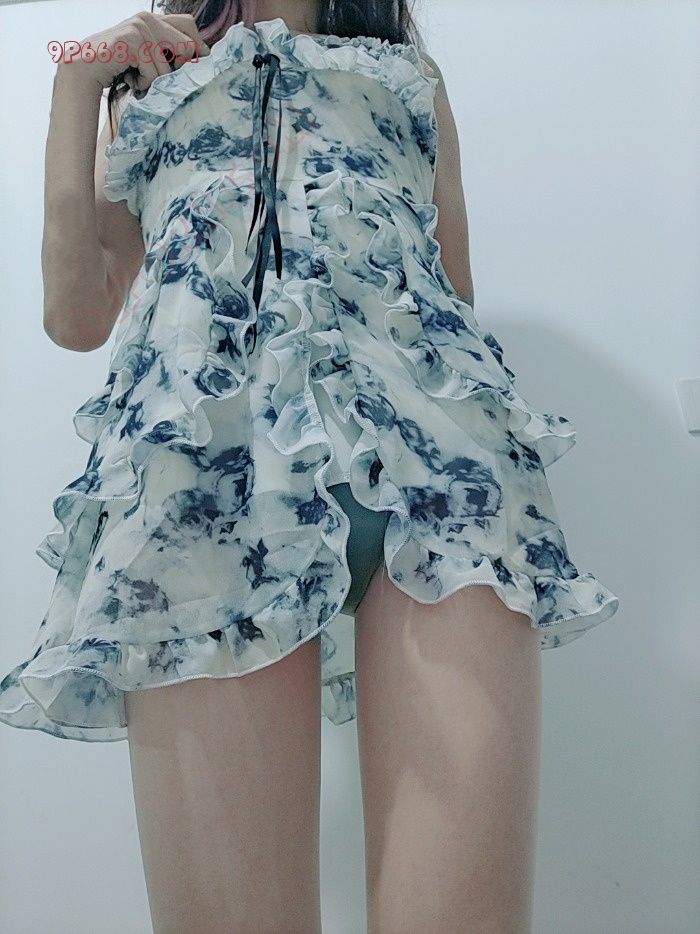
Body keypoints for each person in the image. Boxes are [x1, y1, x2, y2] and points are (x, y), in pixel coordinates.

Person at [0, 1, 620, 931]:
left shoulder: (407, 76)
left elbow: (452, 296)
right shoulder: (146, 86)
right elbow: (76, 316)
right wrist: (74, 84)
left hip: (441, 483)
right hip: (204, 494)